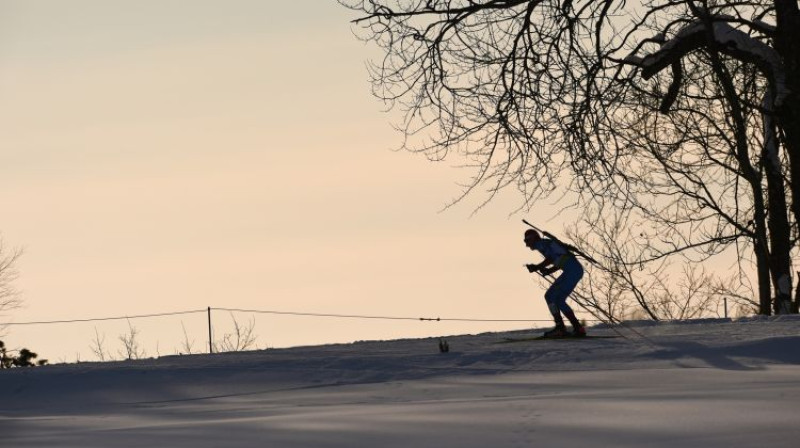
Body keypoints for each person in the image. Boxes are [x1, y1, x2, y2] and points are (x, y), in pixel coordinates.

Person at [524, 229, 587, 338]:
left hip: (572, 271)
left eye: (527, 240)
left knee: (550, 296)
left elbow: (551, 258)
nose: (526, 244)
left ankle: (561, 328)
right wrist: (548, 271)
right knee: (558, 300)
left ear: (533, 238)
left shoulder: (541, 244)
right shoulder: (546, 243)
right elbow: (560, 259)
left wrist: (537, 267)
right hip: (574, 270)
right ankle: (577, 328)